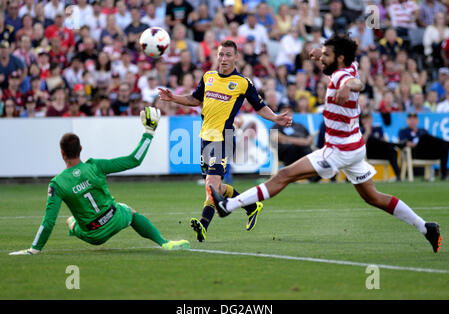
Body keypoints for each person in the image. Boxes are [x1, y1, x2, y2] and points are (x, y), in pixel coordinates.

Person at [208, 33, 442, 254]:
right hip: (354, 146)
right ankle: (426, 227)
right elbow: (347, 65)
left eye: (327, 57)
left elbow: (357, 84)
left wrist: (347, 86)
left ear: (339, 59)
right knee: (373, 197)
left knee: (284, 175)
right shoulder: (349, 64)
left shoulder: (344, 76)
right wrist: (320, 52)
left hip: (338, 150)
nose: (322, 60)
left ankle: (228, 206)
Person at [158, 40, 292, 242]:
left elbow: (259, 106)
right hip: (205, 137)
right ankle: (251, 205)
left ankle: (203, 225)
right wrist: (173, 98)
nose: (224, 59)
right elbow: (195, 99)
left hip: (224, 138)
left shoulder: (242, 82)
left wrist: (275, 117)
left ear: (236, 57)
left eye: (228, 55)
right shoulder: (208, 77)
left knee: (211, 184)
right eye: (221, 54)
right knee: (218, 187)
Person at [9, 107, 190, 255]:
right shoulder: (96, 166)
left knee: (70, 220)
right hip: (114, 218)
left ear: (62, 153)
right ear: (81, 148)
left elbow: (48, 222)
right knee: (130, 212)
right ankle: (163, 243)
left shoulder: (57, 183)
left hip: (93, 234)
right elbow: (134, 159)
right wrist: (149, 132)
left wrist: (34, 249)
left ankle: (66, 229)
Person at [398, 112, 448, 180]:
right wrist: (414, 144)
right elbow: (403, 143)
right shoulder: (403, 131)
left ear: (417, 121)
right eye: (410, 119)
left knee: (443, 146)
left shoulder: (422, 130)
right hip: (415, 152)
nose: (412, 121)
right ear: (407, 121)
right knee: (424, 137)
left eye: (414, 119)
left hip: (426, 152)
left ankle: (444, 174)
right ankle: (446, 143)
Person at [360, 112, 402, 181]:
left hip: (379, 152)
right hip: (368, 153)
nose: (366, 121)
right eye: (364, 119)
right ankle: (397, 145)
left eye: (368, 118)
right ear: (362, 121)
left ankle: (398, 175)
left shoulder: (378, 129)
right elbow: (362, 144)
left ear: (371, 119)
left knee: (391, 150)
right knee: (371, 139)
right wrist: (367, 131)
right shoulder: (360, 130)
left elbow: (383, 141)